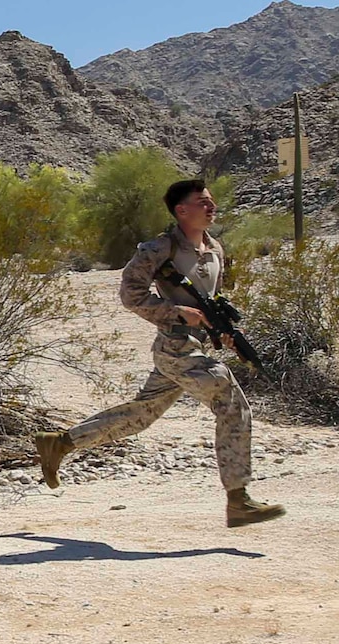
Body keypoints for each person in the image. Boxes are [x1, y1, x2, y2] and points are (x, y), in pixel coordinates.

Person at [34, 179, 285, 528]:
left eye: (211, 202)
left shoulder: (215, 249)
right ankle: (238, 499)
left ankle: (60, 443)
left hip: (193, 345)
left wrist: (223, 331)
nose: (211, 208)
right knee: (231, 401)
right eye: (202, 203)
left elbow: (209, 302)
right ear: (181, 210)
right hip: (175, 346)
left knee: (141, 415)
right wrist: (176, 313)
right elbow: (130, 295)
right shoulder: (159, 248)